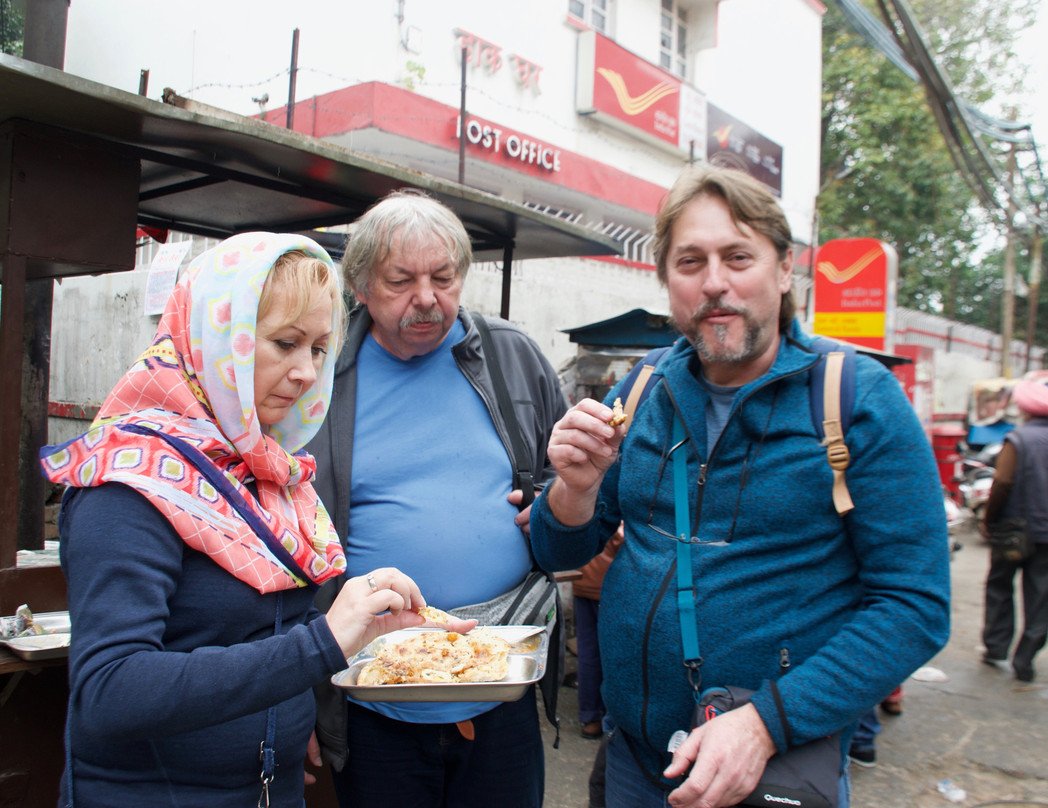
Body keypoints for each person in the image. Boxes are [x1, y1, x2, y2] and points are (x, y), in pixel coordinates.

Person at [529, 163, 951, 808]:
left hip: (768, 769)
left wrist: (764, 725)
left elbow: (914, 605)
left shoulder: (857, 400)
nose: (716, 283)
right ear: (667, 279)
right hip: (635, 764)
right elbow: (561, 553)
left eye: (738, 256)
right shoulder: (642, 388)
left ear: (785, 271)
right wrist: (574, 491)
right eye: (690, 262)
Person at [39, 233, 472, 807]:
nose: (305, 373)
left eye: (319, 349)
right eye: (285, 343)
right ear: (216, 340)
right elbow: (111, 691)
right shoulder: (130, 483)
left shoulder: (262, 471)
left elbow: (259, 633)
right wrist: (321, 645)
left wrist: (292, 717)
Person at [306, 190, 567, 807]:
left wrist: (557, 495)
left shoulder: (512, 355)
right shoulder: (319, 374)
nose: (427, 297)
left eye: (443, 278)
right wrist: (299, 694)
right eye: (402, 280)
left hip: (499, 686)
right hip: (371, 699)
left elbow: (567, 479)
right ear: (362, 286)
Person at [980, 370, 1048, 683]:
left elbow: (1003, 481)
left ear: (1024, 408)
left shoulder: (1018, 439)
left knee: (999, 586)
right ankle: (1025, 661)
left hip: (1012, 530)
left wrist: (989, 519)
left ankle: (996, 647)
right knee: (1040, 595)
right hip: (1045, 535)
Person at [574, 526, 624, 740]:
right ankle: (612, 718)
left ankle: (590, 718)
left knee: (588, 652)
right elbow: (621, 537)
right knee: (614, 654)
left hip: (583, 579)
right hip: (611, 584)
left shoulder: (586, 496)